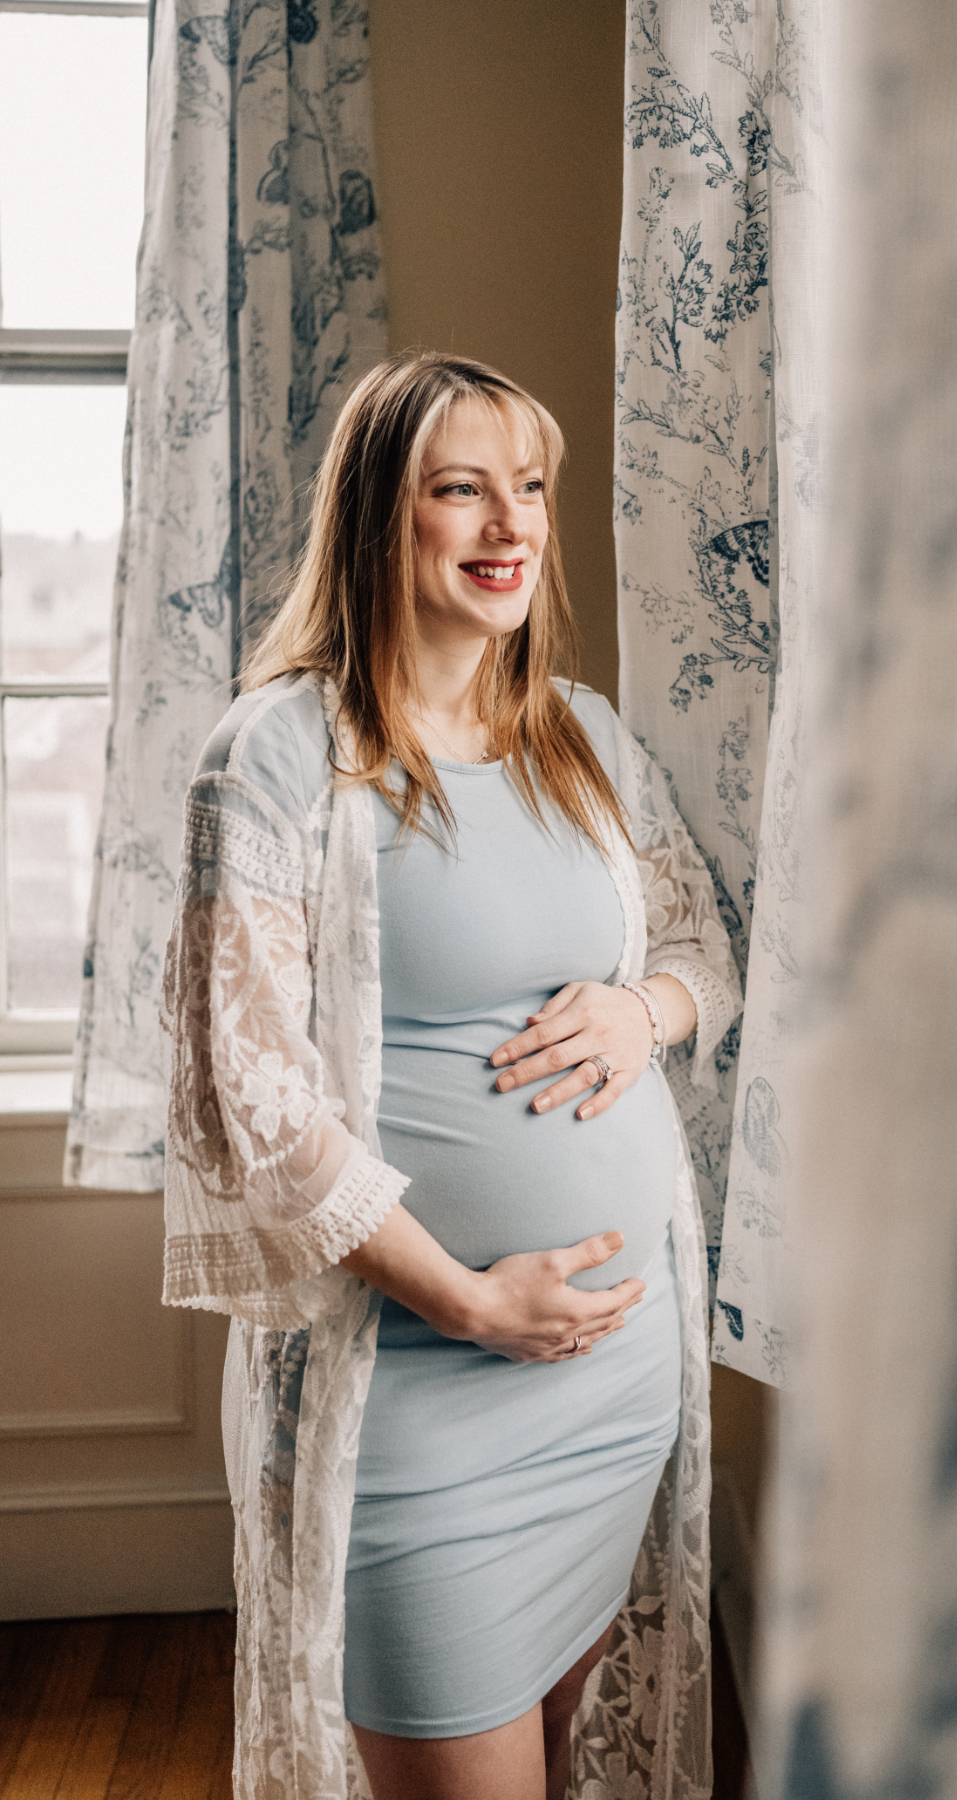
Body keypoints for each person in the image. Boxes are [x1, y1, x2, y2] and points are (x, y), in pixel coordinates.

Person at [161, 352, 741, 1800]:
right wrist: (472, 1299)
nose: (509, 526)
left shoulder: (584, 738)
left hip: (610, 1396)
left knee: (555, 1762)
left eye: (529, 488)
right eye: (460, 489)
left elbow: (702, 947)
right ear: (379, 514)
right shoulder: (280, 756)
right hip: (419, 1395)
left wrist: (643, 1009)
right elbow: (256, 1096)